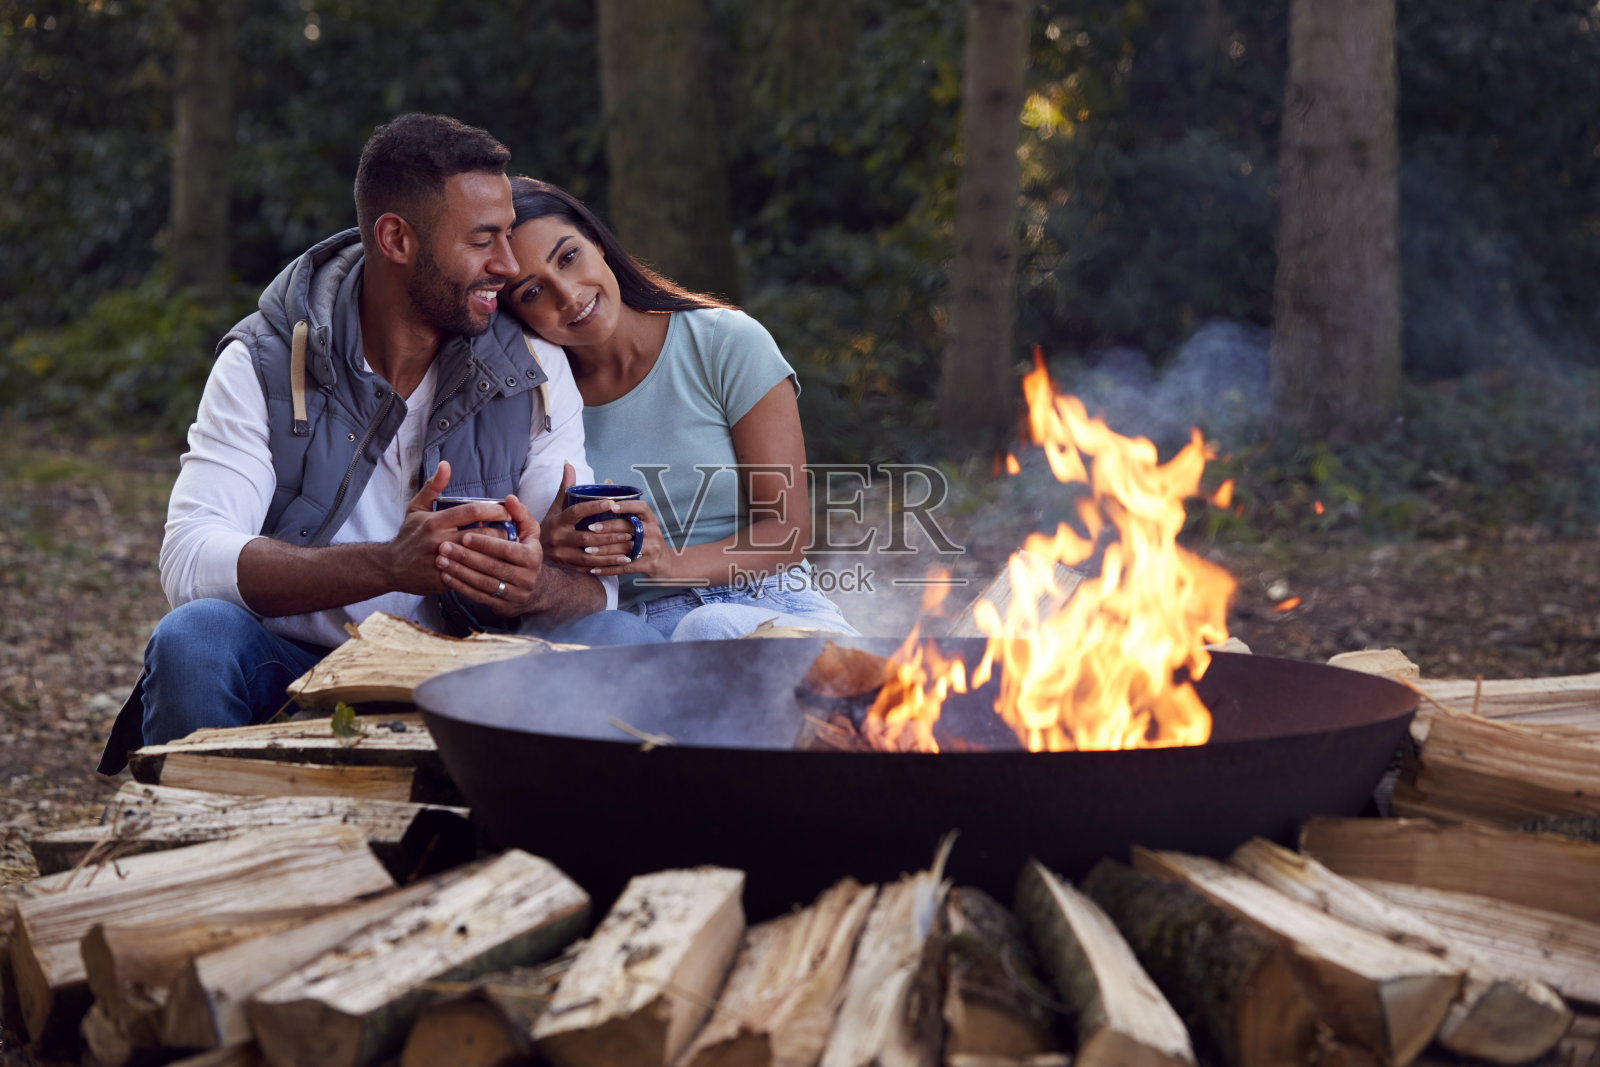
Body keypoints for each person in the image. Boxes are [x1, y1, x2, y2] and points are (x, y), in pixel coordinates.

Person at [98, 115, 660, 775]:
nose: (508, 266)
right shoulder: (264, 360)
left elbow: (593, 592)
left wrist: (534, 582)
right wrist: (388, 566)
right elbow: (191, 560)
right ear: (396, 238)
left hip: (473, 674)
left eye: (507, 234)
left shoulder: (530, 365)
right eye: (483, 240)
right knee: (194, 640)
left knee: (620, 639)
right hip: (297, 670)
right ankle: (199, 832)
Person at [499, 177, 858, 641]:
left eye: (568, 257)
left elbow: (787, 533)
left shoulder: (725, 342)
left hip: (765, 603)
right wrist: (547, 549)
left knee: (708, 628)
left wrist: (666, 562)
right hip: (626, 627)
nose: (567, 294)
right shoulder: (530, 402)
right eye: (532, 292)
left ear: (596, 241)